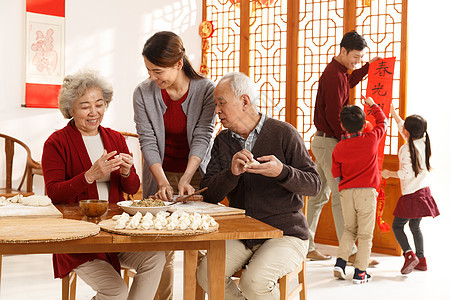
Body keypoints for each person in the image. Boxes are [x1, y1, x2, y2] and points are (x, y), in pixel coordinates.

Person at [42, 70, 165, 300]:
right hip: (78, 239)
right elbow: (54, 193)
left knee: (155, 256)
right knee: (116, 291)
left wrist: (127, 171)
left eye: (99, 104)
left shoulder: (115, 138)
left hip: (115, 231)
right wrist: (89, 175)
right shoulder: (56, 142)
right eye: (85, 105)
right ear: (70, 109)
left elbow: (132, 187)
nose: (94, 112)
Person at [196, 72, 321, 299]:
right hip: (242, 234)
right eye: (216, 105)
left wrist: (282, 172)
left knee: (254, 281)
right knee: (206, 274)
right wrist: (231, 173)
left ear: (244, 101)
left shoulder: (284, 133)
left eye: (221, 103)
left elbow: (314, 185)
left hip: (286, 234)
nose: (217, 111)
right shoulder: (223, 141)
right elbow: (207, 194)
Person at [133, 31, 216, 299]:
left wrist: (188, 178)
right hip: (159, 173)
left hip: (196, 172)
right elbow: (147, 141)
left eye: (158, 71)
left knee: (199, 245)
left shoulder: (206, 89)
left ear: (178, 64)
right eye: (149, 70)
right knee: (159, 246)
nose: (153, 77)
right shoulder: (143, 93)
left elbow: (204, 135)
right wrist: (162, 182)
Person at [307, 30, 381, 265]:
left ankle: (306, 246)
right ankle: (349, 253)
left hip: (324, 141)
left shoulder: (339, 72)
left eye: (360, 58)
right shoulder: (333, 76)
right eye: (356, 57)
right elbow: (333, 113)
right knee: (341, 195)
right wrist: (347, 140)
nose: (356, 61)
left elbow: (348, 82)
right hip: (329, 141)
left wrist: (367, 68)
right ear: (343, 51)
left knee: (318, 197)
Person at [331, 97, 387, 284]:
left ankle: (340, 262)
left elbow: (336, 174)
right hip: (366, 193)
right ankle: (360, 273)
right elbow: (383, 122)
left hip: (347, 193)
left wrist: (346, 185)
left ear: (343, 125)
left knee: (349, 229)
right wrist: (372, 105)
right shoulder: (371, 139)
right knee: (364, 235)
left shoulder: (339, 148)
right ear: (364, 124)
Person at [381, 105, 439, 274]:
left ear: (409, 132)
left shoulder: (407, 149)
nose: (402, 128)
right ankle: (421, 260)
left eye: (405, 127)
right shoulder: (422, 141)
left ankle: (409, 254)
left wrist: (387, 173)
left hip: (411, 195)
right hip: (423, 192)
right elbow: (404, 128)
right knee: (415, 226)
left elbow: (405, 173)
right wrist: (393, 114)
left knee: (397, 226)